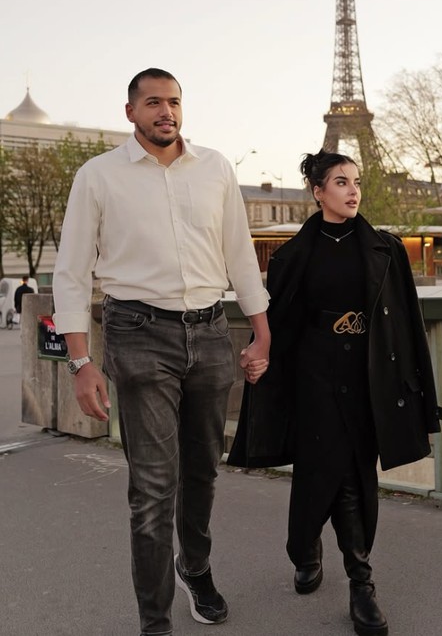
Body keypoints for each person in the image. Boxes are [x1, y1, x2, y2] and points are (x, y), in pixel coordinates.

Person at [52, 68, 271, 636]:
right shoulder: (98, 176)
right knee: (151, 488)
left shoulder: (217, 168)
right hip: (139, 332)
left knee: (203, 470)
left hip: (212, 330)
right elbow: (72, 274)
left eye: (173, 101)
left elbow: (240, 255)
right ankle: (156, 623)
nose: (165, 111)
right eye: (153, 102)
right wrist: (81, 362)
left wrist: (261, 330)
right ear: (131, 113)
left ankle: (194, 567)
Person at [229, 149, 442, 636]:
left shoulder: (387, 250)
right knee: (321, 468)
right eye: (341, 182)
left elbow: (409, 327)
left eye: (356, 181)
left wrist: (421, 395)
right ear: (318, 191)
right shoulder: (291, 256)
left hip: (371, 378)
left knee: (357, 475)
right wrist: (258, 355)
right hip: (314, 377)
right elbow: (277, 323)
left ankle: (359, 582)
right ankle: (307, 548)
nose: (352, 190)